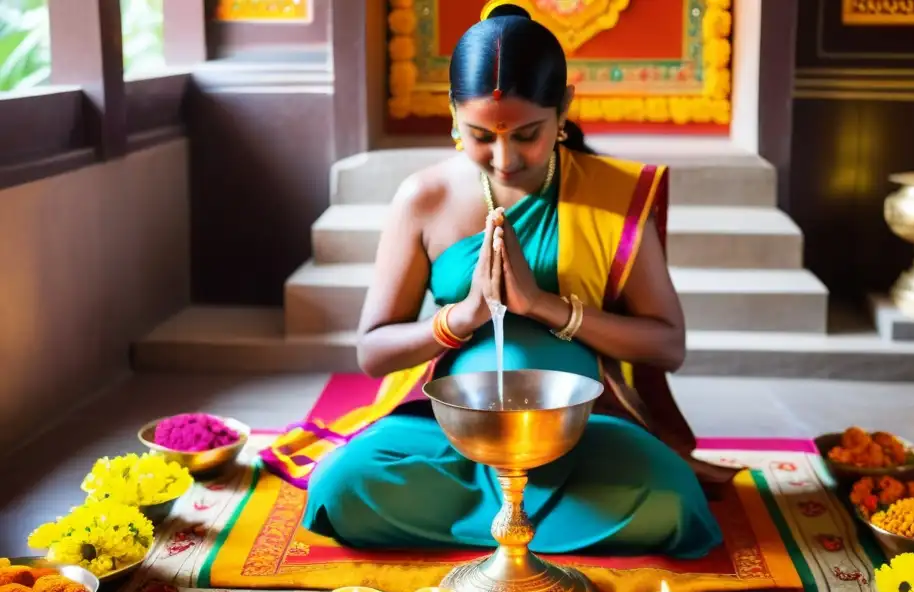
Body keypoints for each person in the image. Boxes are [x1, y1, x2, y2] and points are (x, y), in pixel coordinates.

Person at [264, 4, 738, 557]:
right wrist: (461, 317)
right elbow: (373, 352)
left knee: (672, 501)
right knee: (340, 488)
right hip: (452, 434)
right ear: (452, 113)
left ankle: (490, 524)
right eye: (480, 135)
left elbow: (668, 345)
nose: (505, 158)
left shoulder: (611, 195)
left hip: (583, 431)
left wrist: (545, 307)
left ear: (563, 109)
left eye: (528, 134)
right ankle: (535, 526)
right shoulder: (425, 199)